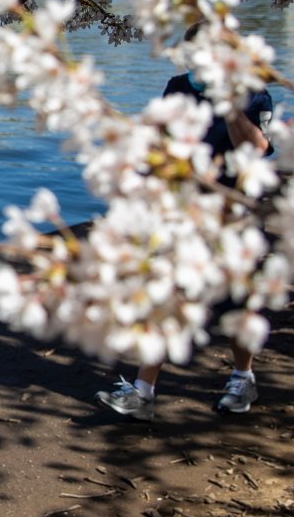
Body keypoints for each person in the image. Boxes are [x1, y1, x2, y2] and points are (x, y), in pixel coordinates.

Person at [96, 34, 276, 422]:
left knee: (236, 303)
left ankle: (243, 378)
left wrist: (227, 104)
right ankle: (143, 391)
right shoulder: (179, 87)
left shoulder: (254, 94)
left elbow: (258, 148)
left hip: (232, 215)